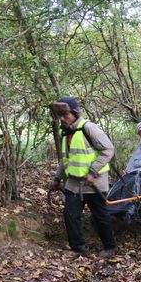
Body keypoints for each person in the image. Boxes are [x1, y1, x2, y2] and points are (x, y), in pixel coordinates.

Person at [50, 97, 116, 257]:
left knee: (100, 217)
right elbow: (65, 159)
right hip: (73, 183)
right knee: (70, 215)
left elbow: (108, 149)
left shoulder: (89, 128)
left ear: (74, 113)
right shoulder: (67, 133)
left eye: (65, 115)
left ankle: (110, 247)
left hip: (94, 182)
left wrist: (92, 172)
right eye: (60, 116)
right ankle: (78, 247)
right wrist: (57, 179)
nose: (63, 119)